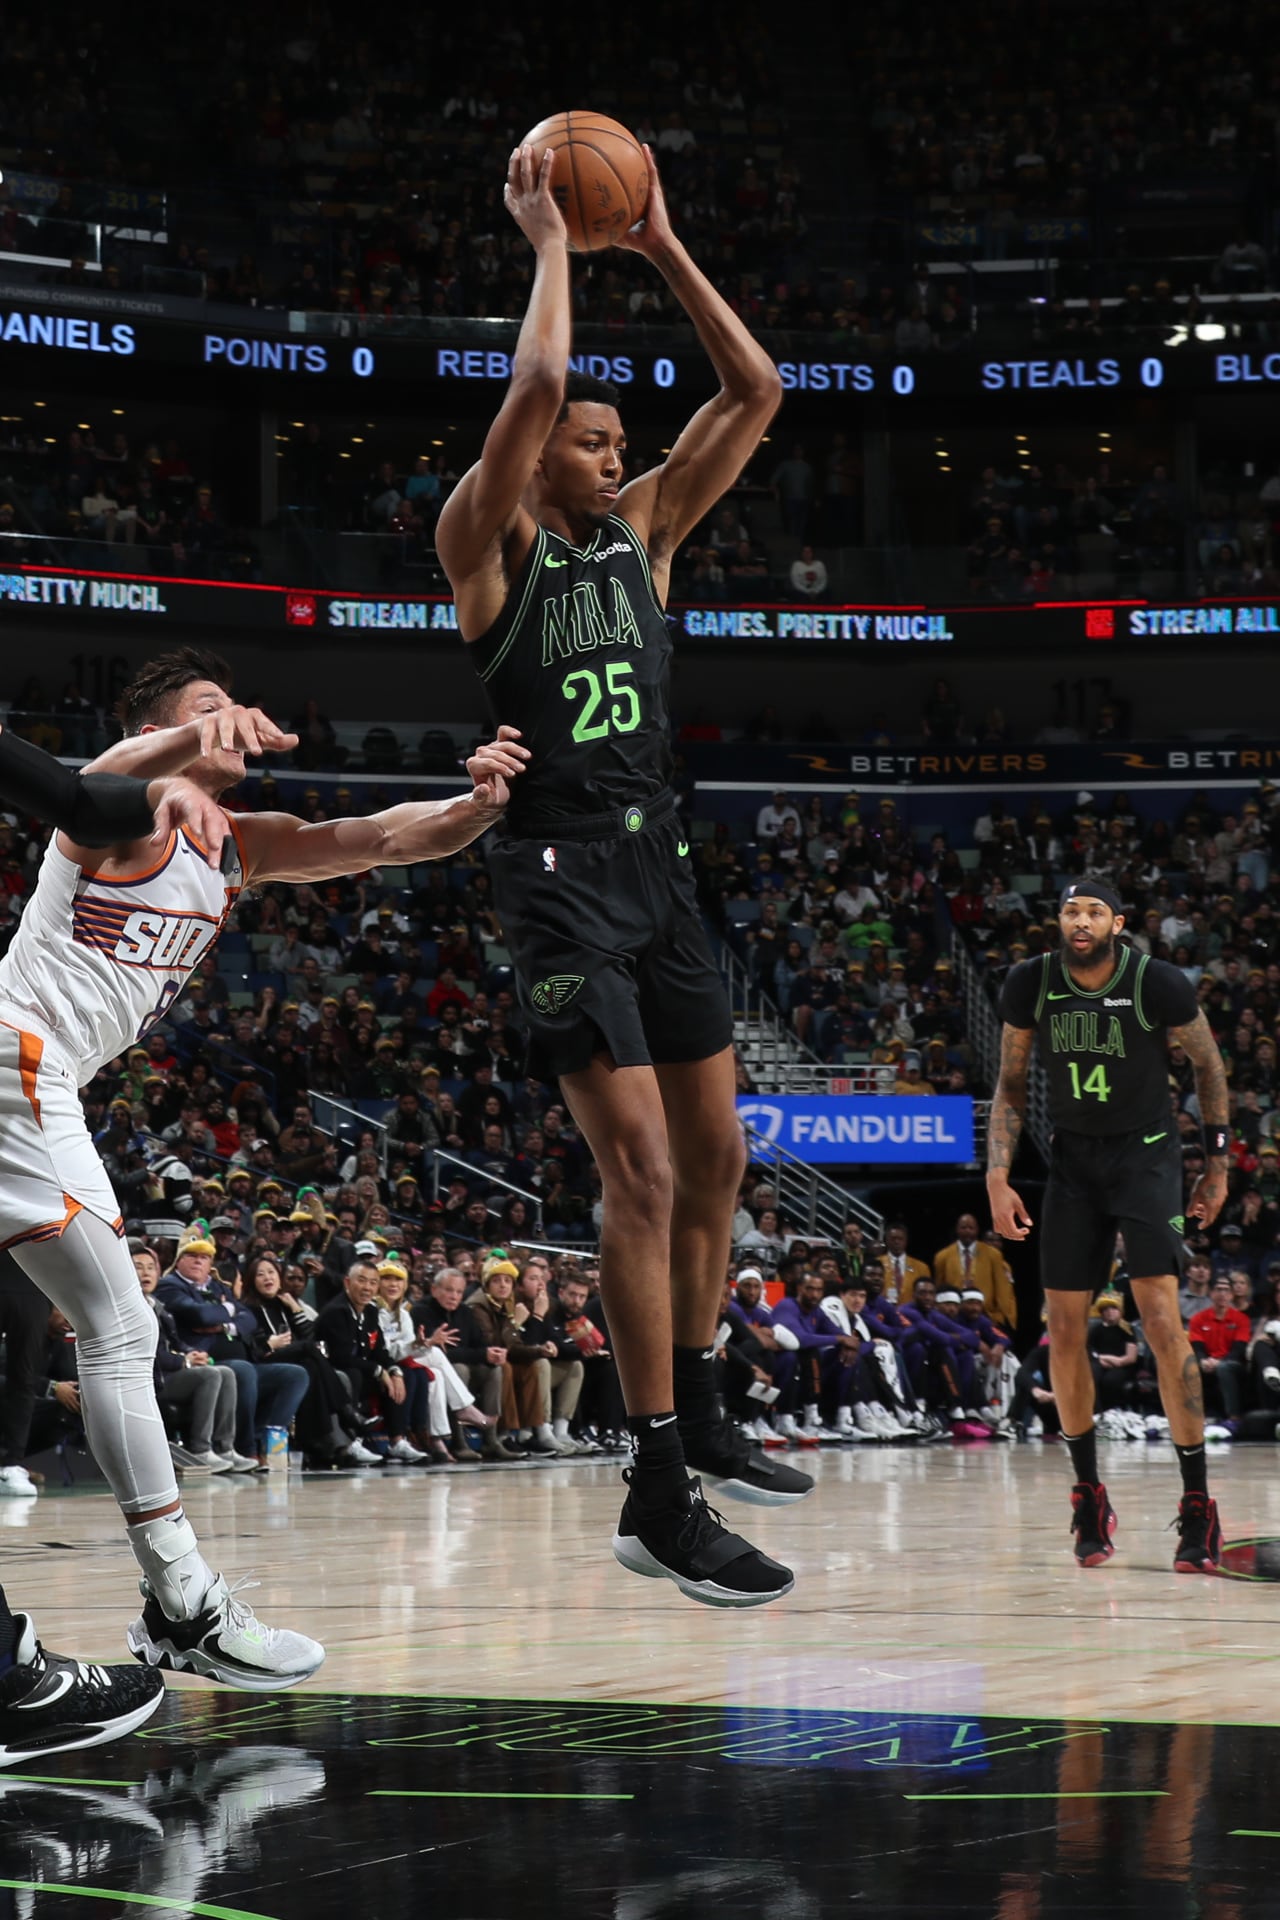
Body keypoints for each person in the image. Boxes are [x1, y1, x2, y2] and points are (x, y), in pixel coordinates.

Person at [0, 646, 524, 1692]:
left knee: (90, 1333)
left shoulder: (237, 845)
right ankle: (184, 1600)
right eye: (209, 706)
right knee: (118, 1327)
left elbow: (374, 838)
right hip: (16, 1062)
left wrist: (479, 805)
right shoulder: (124, 811)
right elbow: (95, 773)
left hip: (42, 1084)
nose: (235, 715)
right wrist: (186, 741)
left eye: (230, 704)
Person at [436, 141, 810, 1609]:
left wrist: (655, 242)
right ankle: (659, 1483)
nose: (614, 455)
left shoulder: (646, 539)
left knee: (720, 1158)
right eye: (595, 443)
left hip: (659, 870)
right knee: (642, 1172)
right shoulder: (484, 545)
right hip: (557, 882)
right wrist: (549, 247)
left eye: (614, 445)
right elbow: (529, 399)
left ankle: (704, 1398)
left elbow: (757, 392)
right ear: (539, 461)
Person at [987, 879, 1230, 1573]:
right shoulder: (1030, 983)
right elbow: (1009, 1084)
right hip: (1072, 1162)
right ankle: (1089, 1492)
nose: (1082, 920)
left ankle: (1196, 1505)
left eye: (1095, 910)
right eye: (1071, 910)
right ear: (1058, 922)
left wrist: (1216, 1166)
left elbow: (1209, 1067)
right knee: (1062, 1325)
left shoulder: (1157, 983)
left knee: (1158, 1313)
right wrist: (997, 1175)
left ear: (1118, 923)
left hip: (1147, 1157)